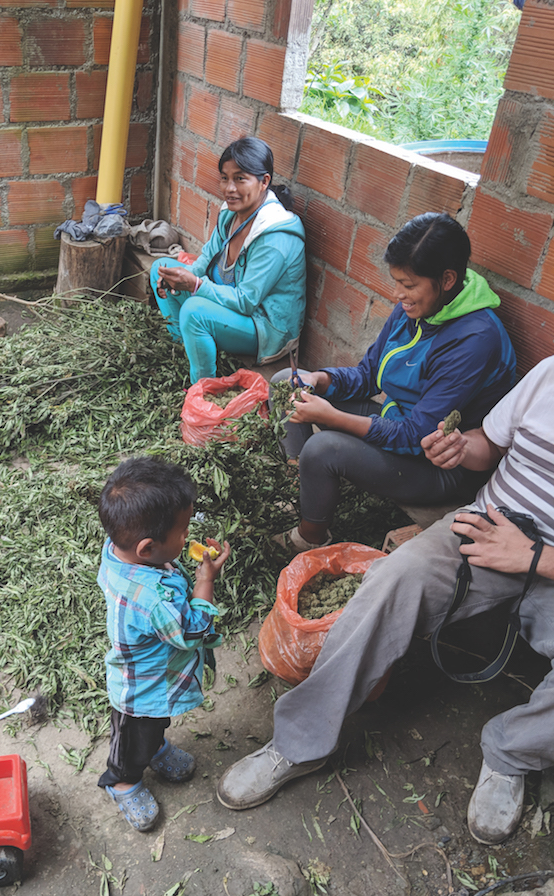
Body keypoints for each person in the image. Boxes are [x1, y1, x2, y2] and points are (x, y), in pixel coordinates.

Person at [217, 355, 554, 845]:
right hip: (487, 529)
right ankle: (300, 741)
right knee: (391, 580)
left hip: (544, 563)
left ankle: (513, 752)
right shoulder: (549, 373)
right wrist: (461, 447)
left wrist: (535, 557)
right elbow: (492, 443)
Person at [271, 211, 516, 554]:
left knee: (323, 448)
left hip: (435, 465)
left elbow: (417, 435)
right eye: (397, 282)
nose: (399, 294)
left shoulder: (475, 338)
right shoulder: (417, 307)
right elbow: (368, 376)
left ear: (447, 279)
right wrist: (319, 380)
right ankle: (299, 487)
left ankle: (308, 537)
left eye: (409, 285)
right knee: (287, 382)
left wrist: (331, 417)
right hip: (396, 419)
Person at [97, 456, 231, 831]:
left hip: (157, 680)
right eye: (182, 531)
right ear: (147, 547)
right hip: (139, 691)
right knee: (130, 744)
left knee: (154, 727)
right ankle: (123, 782)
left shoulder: (117, 552)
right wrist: (206, 580)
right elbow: (191, 633)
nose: (187, 538)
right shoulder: (154, 600)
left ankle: (154, 749)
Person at [149, 137, 306, 384]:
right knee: (161, 268)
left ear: (264, 181)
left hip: (263, 327)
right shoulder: (231, 214)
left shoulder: (276, 237)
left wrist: (195, 285)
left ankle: (201, 389)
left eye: (240, 178)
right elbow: (206, 258)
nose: (229, 188)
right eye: (225, 178)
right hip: (229, 301)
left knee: (194, 311)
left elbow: (246, 302)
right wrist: (181, 278)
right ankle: (185, 351)